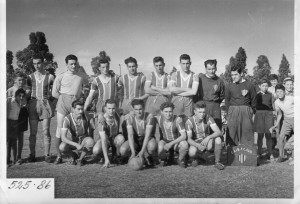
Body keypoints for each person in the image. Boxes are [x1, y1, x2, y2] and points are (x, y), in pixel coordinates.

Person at [52, 54, 89, 164]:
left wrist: (81, 97)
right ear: (66, 65)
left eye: (75, 64)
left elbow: (88, 86)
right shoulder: (61, 76)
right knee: (60, 129)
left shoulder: (82, 75)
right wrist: (64, 99)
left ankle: (81, 155)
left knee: (80, 128)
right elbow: (54, 93)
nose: (73, 66)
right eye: (71, 64)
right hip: (63, 104)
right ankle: (59, 156)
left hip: (76, 105)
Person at [26, 54, 55, 163]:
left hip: (45, 104)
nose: (36, 65)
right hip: (33, 104)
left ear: (43, 63)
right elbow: (28, 92)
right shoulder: (29, 77)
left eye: (38, 63)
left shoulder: (50, 77)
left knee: (46, 131)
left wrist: (51, 102)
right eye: (34, 63)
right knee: (33, 132)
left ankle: (47, 155)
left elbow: (56, 91)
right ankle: (32, 155)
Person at [225, 65, 257, 147]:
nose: (233, 77)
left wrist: (251, 112)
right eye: (232, 75)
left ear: (241, 73)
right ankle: (232, 156)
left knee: (247, 132)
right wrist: (228, 113)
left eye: (236, 74)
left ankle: (248, 156)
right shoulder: (229, 86)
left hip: (246, 111)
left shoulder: (249, 85)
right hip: (233, 111)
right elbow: (227, 101)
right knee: (232, 133)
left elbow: (254, 100)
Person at [186, 102, 224, 170]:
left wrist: (208, 137)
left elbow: (218, 132)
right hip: (196, 142)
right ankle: (197, 158)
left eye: (203, 112)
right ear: (195, 112)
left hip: (206, 140)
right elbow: (189, 139)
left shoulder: (208, 118)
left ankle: (217, 162)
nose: (202, 114)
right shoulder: (189, 121)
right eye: (200, 112)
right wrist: (198, 145)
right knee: (192, 152)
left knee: (218, 139)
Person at [120, 99, 157, 167]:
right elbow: (130, 135)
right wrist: (133, 152)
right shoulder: (130, 118)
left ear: (144, 108)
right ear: (133, 109)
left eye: (140, 109)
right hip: (135, 139)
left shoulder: (149, 117)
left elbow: (147, 135)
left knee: (152, 147)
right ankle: (135, 153)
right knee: (123, 150)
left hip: (146, 138)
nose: (138, 112)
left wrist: (143, 151)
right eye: (136, 109)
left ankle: (148, 155)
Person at [59, 99, 95, 166]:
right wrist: (76, 145)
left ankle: (80, 159)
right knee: (62, 147)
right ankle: (73, 156)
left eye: (82, 109)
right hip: (72, 141)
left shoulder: (86, 116)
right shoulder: (67, 119)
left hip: (83, 139)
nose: (81, 111)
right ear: (73, 109)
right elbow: (63, 138)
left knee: (90, 142)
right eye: (78, 109)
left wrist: (90, 144)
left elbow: (92, 129)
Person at [92, 99, 126, 168]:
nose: (111, 111)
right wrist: (107, 160)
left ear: (116, 108)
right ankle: (103, 156)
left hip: (114, 139)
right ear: (105, 108)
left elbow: (127, 111)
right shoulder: (102, 121)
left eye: (113, 108)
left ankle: (115, 155)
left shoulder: (117, 113)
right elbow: (104, 140)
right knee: (95, 150)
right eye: (109, 108)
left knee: (121, 138)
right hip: (104, 140)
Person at [156, 102, 189, 168]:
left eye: (170, 111)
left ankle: (180, 159)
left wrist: (170, 144)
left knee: (184, 144)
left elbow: (184, 136)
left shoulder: (178, 119)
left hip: (176, 141)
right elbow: (148, 116)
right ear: (161, 112)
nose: (168, 114)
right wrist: (130, 114)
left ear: (173, 111)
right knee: (160, 147)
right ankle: (164, 159)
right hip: (165, 140)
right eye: (166, 111)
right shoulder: (158, 118)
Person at [197, 59, 225, 129]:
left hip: (215, 107)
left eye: (213, 69)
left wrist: (216, 103)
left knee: (217, 128)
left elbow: (222, 95)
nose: (211, 71)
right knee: (204, 128)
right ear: (205, 69)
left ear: (216, 68)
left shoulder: (219, 81)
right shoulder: (200, 79)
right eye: (209, 69)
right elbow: (196, 95)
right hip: (203, 106)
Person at [169, 54, 199, 118]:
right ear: (180, 63)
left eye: (187, 63)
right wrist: (188, 89)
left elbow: (194, 92)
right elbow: (172, 89)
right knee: (176, 125)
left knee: (188, 126)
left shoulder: (195, 76)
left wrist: (178, 91)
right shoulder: (175, 74)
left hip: (189, 105)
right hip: (176, 104)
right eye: (183, 63)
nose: (185, 66)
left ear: (190, 63)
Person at [269, 84, 294, 163]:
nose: (279, 93)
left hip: (295, 118)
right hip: (286, 120)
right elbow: (279, 114)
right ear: (275, 93)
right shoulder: (276, 102)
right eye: (277, 92)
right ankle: (281, 156)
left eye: (281, 91)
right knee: (281, 137)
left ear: (284, 92)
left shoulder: (291, 98)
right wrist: (276, 125)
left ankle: (294, 154)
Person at [254, 79, 274, 160]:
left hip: (268, 114)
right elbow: (254, 105)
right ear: (259, 86)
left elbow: (273, 105)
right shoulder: (257, 95)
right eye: (263, 86)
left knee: (269, 135)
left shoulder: (271, 95)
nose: (265, 87)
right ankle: (259, 152)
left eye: (266, 86)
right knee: (260, 135)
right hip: (259, 115)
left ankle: (270, 153)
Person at [7, 89, 28, 165]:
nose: (21, 97)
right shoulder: (10, 102)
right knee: (10, 141)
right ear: (16, 96)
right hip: (10, 122)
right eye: (19, 96)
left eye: (23, 96)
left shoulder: (22, 104)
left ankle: (17, 158)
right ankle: (9, 159)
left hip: (18, 121)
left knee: (17, 140)